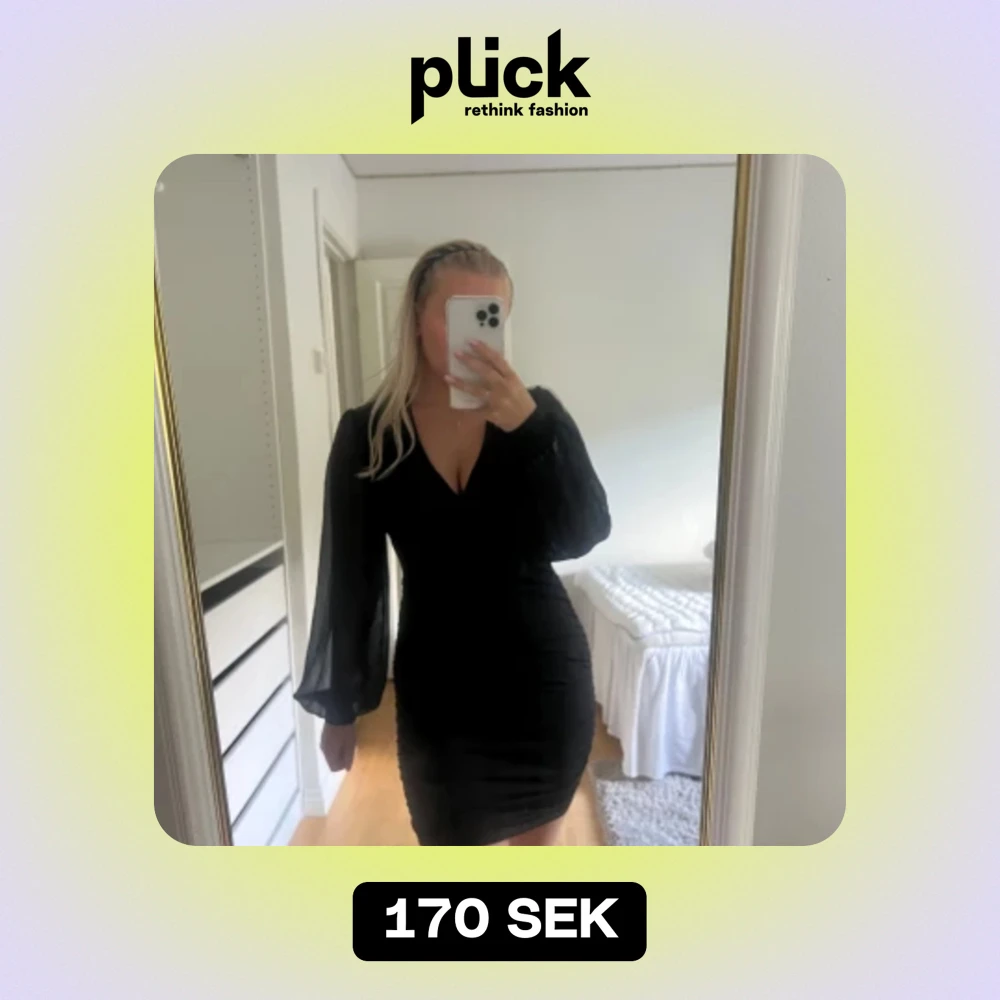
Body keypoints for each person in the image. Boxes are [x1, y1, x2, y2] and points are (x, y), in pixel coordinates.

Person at [293, 239, 611, 846]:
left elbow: (584, 532)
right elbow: (351, 577)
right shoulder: (370, 433)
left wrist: (530, 429)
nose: (475, 333)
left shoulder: (537, 415)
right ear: (417, 316)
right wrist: (340, 708)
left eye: (490, 315)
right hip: (438, 695)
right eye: (457, 312)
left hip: (543, 683)